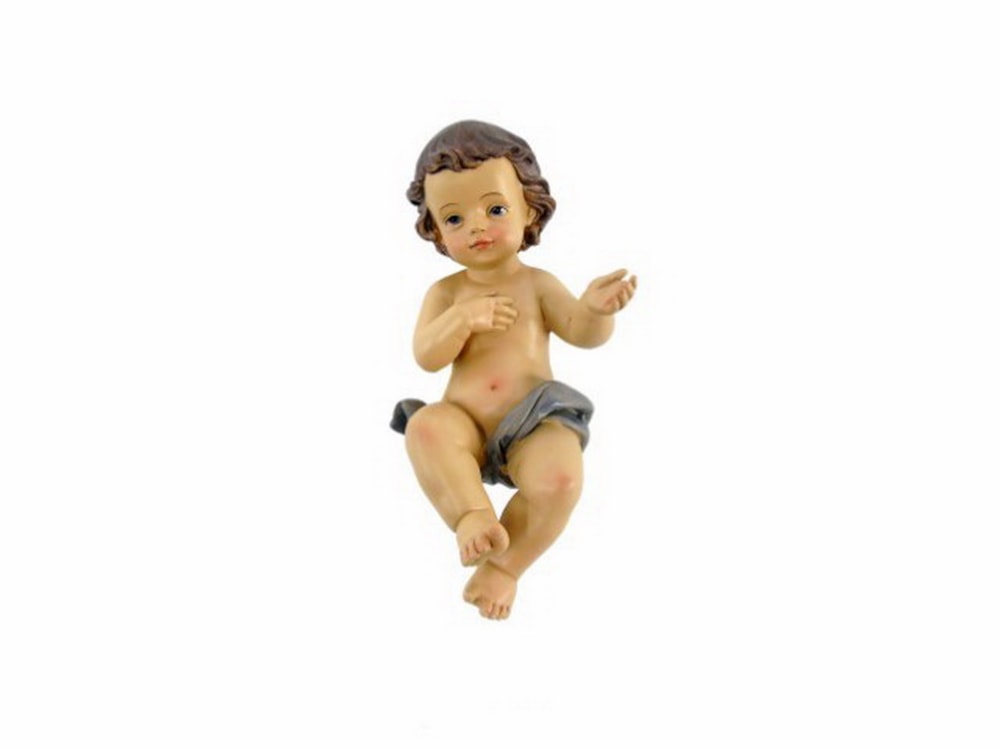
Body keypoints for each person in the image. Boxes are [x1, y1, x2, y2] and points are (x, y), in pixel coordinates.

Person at [392, 121, 637, 620]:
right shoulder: (447, 293)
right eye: (454, 218)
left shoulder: (538, 284)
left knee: (561, 480)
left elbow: (581, 331)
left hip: (532, 420)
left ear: (529, 209)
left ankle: (504, 568)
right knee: (425, 428)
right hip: (464, 422)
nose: (476, 227)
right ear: (435, 229)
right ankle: (471, 514)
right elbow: (427, 356)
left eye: (496, 209)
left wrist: (595, 311)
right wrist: (462, 319)